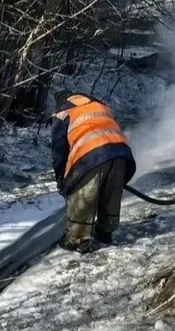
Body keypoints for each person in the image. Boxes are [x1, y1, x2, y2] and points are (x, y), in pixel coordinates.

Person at [50, 90, 136, 253]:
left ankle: (77, 239)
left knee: (82, 194)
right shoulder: (99, 106)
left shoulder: (63, 113)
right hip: (120, 153)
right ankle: (105, 233)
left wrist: (62, 179)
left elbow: (59, 150)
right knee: (111, 193)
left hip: (91, 155)